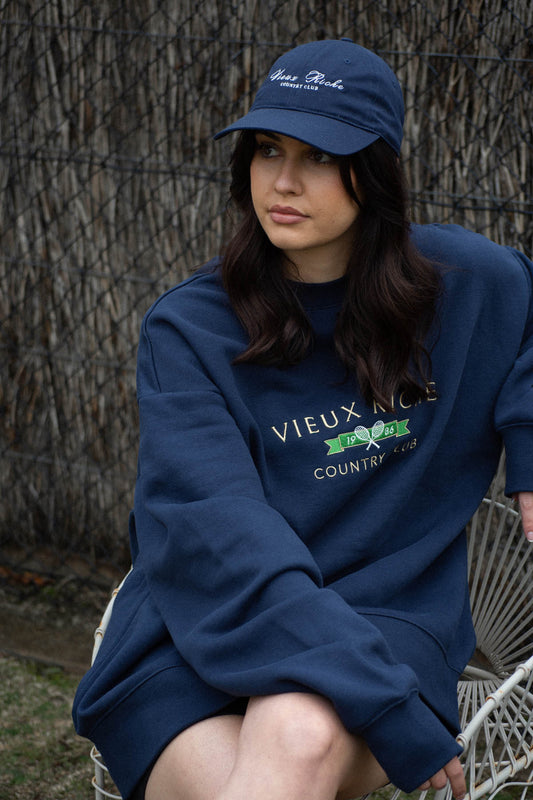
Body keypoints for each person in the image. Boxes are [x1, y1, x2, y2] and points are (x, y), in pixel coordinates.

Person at [73, 38, 533, 800]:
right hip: (207, 617)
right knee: (290, 745)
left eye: (319, 157)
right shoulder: (190, 330)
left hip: (387, 608)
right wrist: (384, 703)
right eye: (266, 151)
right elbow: (221, 533)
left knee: (296, 729)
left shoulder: (463, 284)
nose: (282, 182)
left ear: (375, 172)